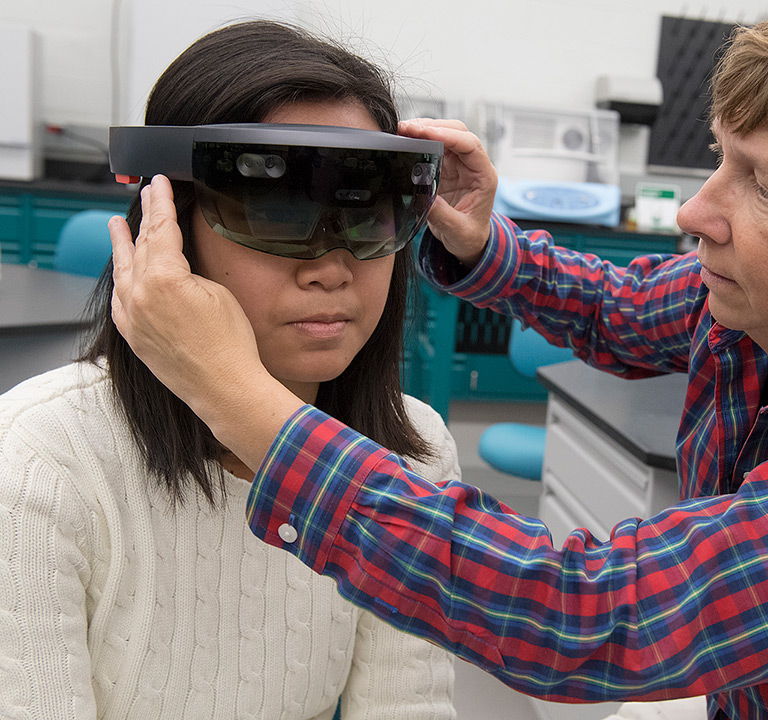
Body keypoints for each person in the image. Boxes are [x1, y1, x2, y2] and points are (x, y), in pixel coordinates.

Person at [108, 0, 768, 718]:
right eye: (721, 158)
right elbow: (616, 305)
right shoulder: (766, 307)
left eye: (765, 188)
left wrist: (239, 398)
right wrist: (484, 242)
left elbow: (590, 615)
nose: (698, 214)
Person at [0, 20, 458, 720]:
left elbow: (409, 708)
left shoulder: (411, 453)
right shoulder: (40, 459)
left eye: (365, 212)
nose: (331, 267)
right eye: (278, 211)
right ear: (169, 228)